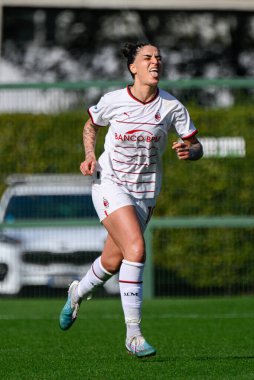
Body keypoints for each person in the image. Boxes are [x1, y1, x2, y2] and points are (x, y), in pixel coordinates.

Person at [59, 42, 203, 358]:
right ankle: (133, 336)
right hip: (108, 183)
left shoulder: (172, 107)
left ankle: (76, 292)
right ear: (133, 67)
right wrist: (88, 156)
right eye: (147, 58)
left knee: (112, 261)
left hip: (145, 193)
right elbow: (91, 125)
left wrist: (189, 151)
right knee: (136, 249)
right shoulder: (113, 100)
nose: (156, 62)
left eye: (159, 58)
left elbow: (196, 146)